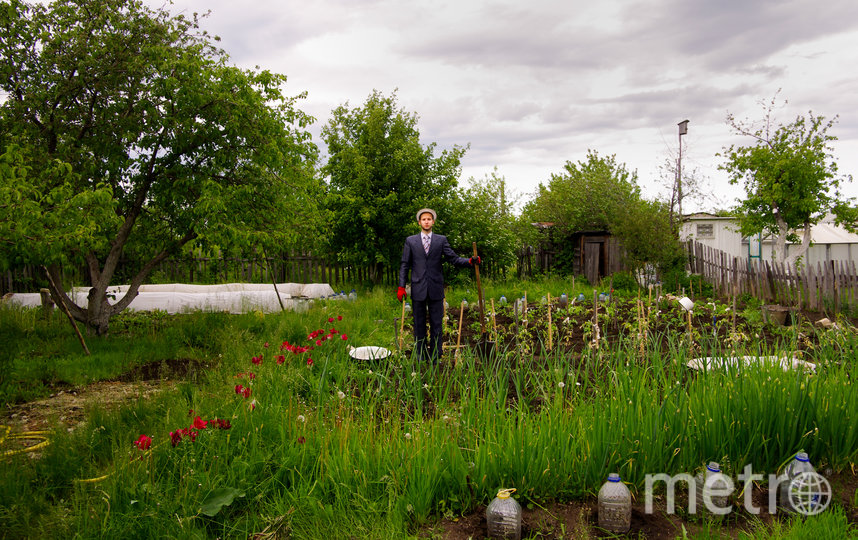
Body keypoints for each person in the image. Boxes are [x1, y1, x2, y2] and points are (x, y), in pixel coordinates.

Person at [398, 208, 480, 362]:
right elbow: (404, 264)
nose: (426, 221)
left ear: (433, 222)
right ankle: (421, 355)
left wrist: (469, 261)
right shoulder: (411, 241)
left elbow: (453, 258)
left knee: (437, 323)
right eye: (424, 219)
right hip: (418, 288)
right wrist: (401, 286)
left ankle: (435, 355)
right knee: (419, 323)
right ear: (419, 223)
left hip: (435, 287)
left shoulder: (441, 240)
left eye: (429, 219)